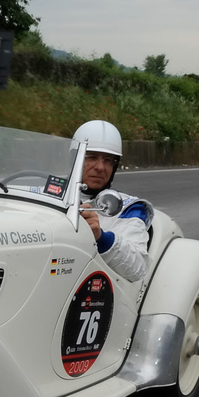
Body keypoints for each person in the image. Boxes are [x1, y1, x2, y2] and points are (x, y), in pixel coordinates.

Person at [73, 119, 151, 281]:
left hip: (98, 291)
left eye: (108, 160)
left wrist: (100, 237)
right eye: (92, 157)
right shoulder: (49, 193)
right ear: (74, 158)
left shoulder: (129, 207)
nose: (100, 167)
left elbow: (137, 269)